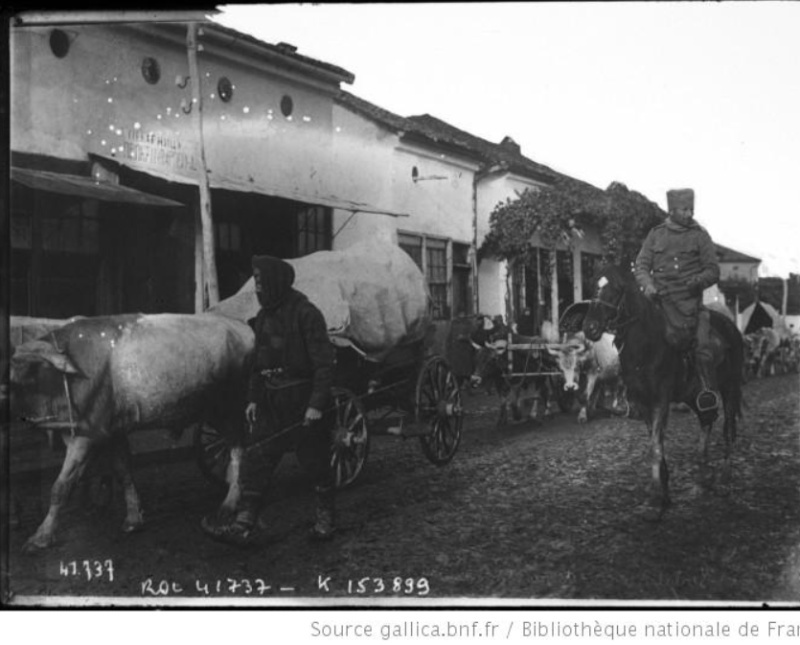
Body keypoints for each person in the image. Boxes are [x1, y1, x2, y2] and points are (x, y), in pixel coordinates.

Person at [201, 255, 336, 545]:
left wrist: (315, 405)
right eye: (256, 282)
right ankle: (244, 523)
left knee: (315, 463)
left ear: (276, 282)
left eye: (261, 281)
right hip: (271, 402)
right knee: (257, 458)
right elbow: (257, 366)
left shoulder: (307, 314)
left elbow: (324, 365)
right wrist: (252, 399)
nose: (258, 288)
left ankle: (325, 517)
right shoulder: (263, 318)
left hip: (302, 401)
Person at [634, 188, 721, 412]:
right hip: (660, 303)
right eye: (684, 209)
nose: (689, 214)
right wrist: (649, 286)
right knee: (639, 340)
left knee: (703, 347)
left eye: (691, 209)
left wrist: (697, 281)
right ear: (672, 210)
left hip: (689, 305)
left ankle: (705, 391)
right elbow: (641, 266)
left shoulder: (700, 236)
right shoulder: (656, 234)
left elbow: (713, 270)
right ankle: (636, 392)